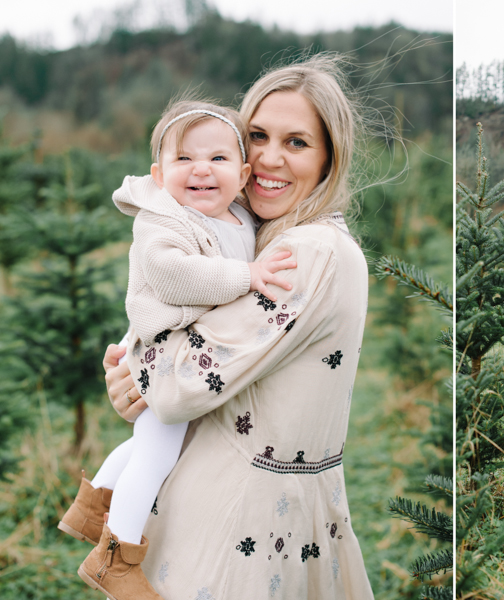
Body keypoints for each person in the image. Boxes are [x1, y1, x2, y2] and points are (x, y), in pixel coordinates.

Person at [97, 55, 376, 599]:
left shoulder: (308, 253)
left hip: (239, 528)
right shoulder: (258, 237)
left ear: (328, 159)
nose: (271, 158)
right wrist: (137, 371)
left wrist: (138, 365)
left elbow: (179, 386)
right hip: (230, 514)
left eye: (296, 142)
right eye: (258, 136)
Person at [57, 100, 296, 599]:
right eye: (183, 159)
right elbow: (172, 273)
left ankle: (94, 504)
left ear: (244, 173)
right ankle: (115, 557)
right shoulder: (162, 221)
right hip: (162, 349)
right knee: (158, 449)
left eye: (218, 159)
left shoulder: (237, 217)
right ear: (159, 174)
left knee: (151, 443)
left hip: (183, 352)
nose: (201, 170)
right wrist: (246, 276)